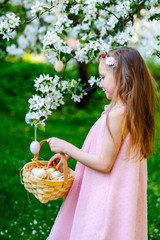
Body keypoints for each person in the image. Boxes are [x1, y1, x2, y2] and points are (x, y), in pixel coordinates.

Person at [46, 46, 158, 240]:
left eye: (103, 77)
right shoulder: (129, 113)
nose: (100, 83)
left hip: (103, 201)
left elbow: (105, 164)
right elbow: (110, 156)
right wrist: (73, 156)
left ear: (122, 78)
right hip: (117, 199)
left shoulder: (117, 115)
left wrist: (67, 147)